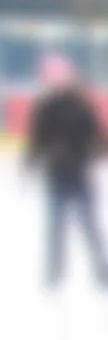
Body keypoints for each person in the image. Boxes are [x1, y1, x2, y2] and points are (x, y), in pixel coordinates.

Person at [26, 54, 107, 288]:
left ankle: (101, 272)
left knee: (90, 227)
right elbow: (37, 140)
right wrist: (30, 164)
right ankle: (54, 273)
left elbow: (96, 135)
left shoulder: (81, 105)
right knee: (56, 228)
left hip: (80, 175)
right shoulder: (45, 109)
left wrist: (100, 149)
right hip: (57, 175)